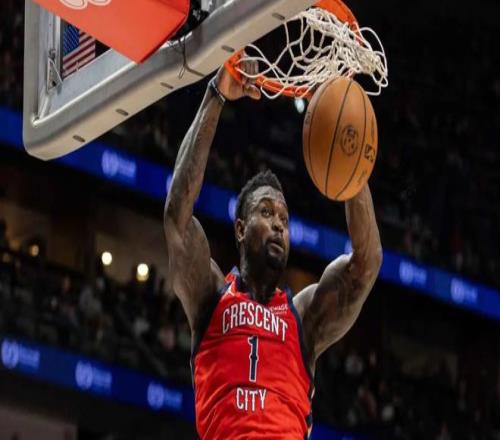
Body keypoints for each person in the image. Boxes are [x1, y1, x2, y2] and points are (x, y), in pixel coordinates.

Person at [163, 61, 382, 439]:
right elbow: (177, 219)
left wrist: (352, 173)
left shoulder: (304, 317)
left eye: (284, 217)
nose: (279, 223)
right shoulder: (211, 298)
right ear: (240, 228)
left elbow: (366, 265)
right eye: (266, 212)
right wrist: (216, 95)